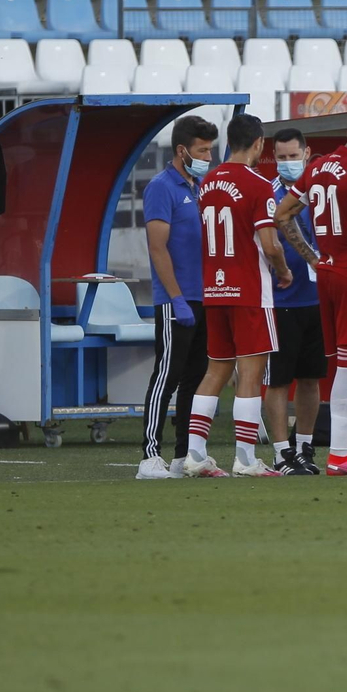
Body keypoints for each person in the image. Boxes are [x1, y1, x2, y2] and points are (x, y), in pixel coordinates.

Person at [274, 101, 347, 477]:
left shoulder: (318, 167)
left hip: (325, 272)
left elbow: (282, 214)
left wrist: (312, 257)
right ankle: (341, 453)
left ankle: (343, 451)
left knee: (343, 359)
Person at [183, 113, 294, 478]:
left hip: (214, 289)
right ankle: (245, 458)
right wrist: (282, 270)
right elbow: (269, 242)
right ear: (259, 144)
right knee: (250, 371)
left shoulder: (206, 182)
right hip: (248, 290)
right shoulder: (259, 185)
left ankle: (195, 453)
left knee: (216, 369)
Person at [136, 115, 218, 480]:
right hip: (176, 299)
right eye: (202, 150)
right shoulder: (161, 187)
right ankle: (149, 457)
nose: (208, 156)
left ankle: (183, 455)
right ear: (182, 150)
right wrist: (176, 297)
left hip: (204, 297)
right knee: (166, 375)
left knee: (195, 377)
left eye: (211, 149)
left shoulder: (201, 188)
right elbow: (157, 248)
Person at [263, 128, 324, 476]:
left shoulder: (319, 191)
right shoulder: (269, 195)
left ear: (306, 152)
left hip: (316, 298)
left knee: (312, 378)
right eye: (281, 157)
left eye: (292, 156)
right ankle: (280, 452)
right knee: (278, 380)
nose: (287, 163)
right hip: (280, 299)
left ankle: (304, 448)